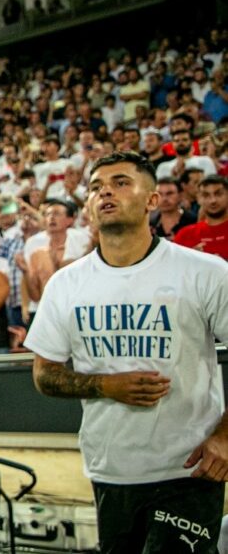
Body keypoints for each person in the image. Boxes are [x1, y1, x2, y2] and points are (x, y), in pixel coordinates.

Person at [27, 152, 228, 553]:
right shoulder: (67, 284)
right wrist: (105, 385)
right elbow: (44, 374)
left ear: (153, 200)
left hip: (189, 471)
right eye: (96, 187)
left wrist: (225, 435)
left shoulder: (205, 271)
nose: (105, 192)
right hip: (110, 471)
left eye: (120, 182)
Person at [174, 175, 228, 260]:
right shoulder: (185, 235)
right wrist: (190, 260)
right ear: (198, 199)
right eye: (206, 195)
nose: (213, 200)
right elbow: (174, 269)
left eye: (218, 194)